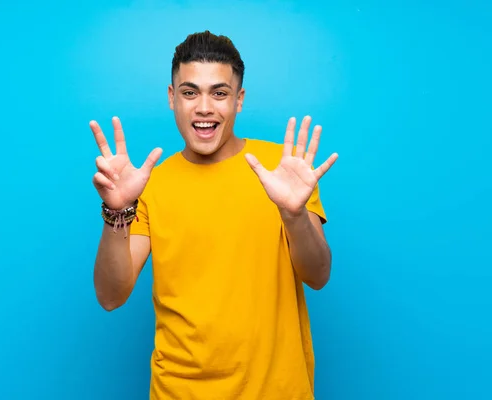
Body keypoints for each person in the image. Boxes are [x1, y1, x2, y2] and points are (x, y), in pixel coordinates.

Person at [89, 30, 338, 400]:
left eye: (219, 93)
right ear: (172, 98)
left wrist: (294, 214)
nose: (204, 107)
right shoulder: (149, 186)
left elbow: (317, 276)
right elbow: (111, 296)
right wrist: (116, 211)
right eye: (190, 92)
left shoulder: (284, 172)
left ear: (239, 100)